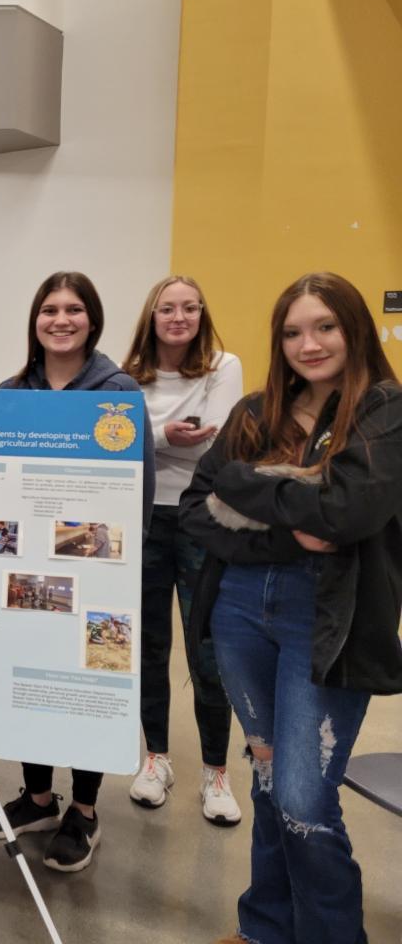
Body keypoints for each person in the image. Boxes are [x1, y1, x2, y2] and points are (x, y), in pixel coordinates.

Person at [179, 273, 402, 944]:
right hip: (241, 609)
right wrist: (286, 527)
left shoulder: (384, 410)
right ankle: (266, 928)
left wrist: (243, 483)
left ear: (354, 327)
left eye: (325, 326)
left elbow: (347, 513)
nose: (310, 344)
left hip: (325, 617)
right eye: (293, 332)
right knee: (269, 779)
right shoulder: (257, 413)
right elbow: (196, 508)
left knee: (305, 797)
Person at [0, 271, 155, 873]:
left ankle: (84, 809)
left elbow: (140, 488)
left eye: (73, 309)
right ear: (35, 321)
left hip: (94, 570)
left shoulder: (118, 392)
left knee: (83, 686)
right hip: (27, 570)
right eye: (49, 309)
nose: (61, 320)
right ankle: (37, 798)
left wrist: (123, 573)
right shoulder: (10, 392)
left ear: (92, 320)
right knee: (30, 678)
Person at [120, 274, 244, 824]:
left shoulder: (223, 366)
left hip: (202, 519)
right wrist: (167, 436)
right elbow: (115, 440)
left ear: (201, 314)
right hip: (144, 517)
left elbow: (221, 443)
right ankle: (157, 759)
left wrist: (151, 438)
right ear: (152, 316)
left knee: (207, 650)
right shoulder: (126, 376)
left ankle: (216, 772)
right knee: (149, 647)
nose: (179, 317)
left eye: (190, 308)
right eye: (168, 308)